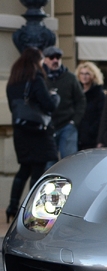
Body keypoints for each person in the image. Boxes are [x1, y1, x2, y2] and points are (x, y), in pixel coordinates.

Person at [5, 47, 60, 222]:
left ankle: (12, 207)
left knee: (23, 170)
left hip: (20, 131)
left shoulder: (12, 82)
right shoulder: (35, 80)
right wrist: (55, 98)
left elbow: (13, 108)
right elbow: (49, 105)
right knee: (37, 171)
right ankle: (29, 211)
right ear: (36, 61)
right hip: (37, 132)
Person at [42, 46, 86, 164]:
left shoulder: (70, 78)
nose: (55, 60)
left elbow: (81, 100)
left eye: (58, 57)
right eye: (51, 57)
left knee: (70, 163)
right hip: (47, 127)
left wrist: (74, 122)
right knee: (48, 164)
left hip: (67, 125)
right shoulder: (41, 78)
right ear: (45, 59)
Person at [75, 61, 105, 150]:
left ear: (93, 75)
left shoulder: (98, 93)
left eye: (87, 73)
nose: (84, 76)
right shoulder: (76, 92)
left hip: (92, 136)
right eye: (82, 73)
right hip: (76, 134)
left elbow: (101, 116)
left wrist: (92, 130)